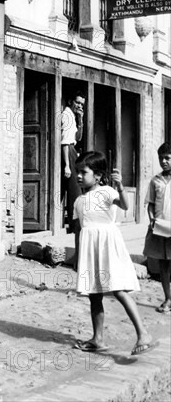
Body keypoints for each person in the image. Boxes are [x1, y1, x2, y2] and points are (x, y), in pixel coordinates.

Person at [73, 151, 157, 355]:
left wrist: (120, 186)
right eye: (77, 172)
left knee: (118, 288)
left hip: (108, 245)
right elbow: (78, 229)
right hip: (89, 248)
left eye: (83, 172)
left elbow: (125, 205)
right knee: (94, 294)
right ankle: (97, 339)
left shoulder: (107, 192)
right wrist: (77, 257)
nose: (78, 176)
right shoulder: (78, 201)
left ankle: (143, 333)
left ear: (99, 175)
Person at [143, 142, 171, 313]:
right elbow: (151, 204)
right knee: (163, 265)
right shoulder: (155, 181)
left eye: (167, 158)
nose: (164, 162)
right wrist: (152, 220)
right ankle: (168, 298)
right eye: (161, 158)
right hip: (161, 228)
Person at [61, 91, 85, 231]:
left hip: (72, 151)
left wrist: (80, 120)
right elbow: (65, 142)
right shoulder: (67, 116)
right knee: (74, 190)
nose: (79, 106)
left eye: (81, 104)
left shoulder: (73, 116)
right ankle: (74, 224)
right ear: (70, 101)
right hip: (68, 152)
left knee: (76, 189)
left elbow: (78, 137)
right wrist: (67, 166)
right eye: (77, 102)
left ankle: (75, 223)